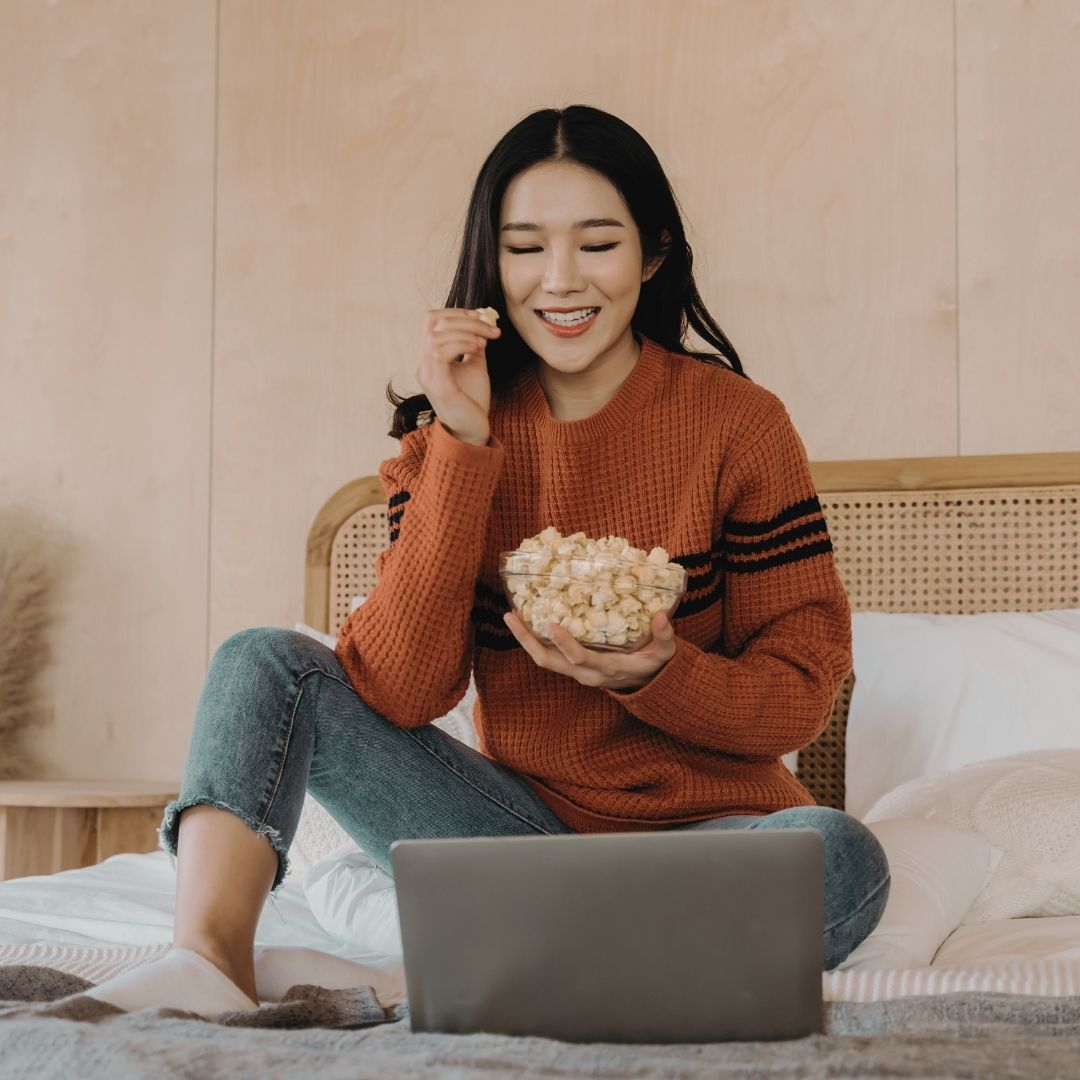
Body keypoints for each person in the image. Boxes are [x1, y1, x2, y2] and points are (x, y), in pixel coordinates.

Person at [80, 104, 889, 1017]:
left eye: (597, 243)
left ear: (654, 253)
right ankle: (211, 965)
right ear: (491, 266)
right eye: (524, 248)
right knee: (261, 662)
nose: (559, 281)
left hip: (713, 837)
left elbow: (802, 692)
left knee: (842, 854)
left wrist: (661, 671)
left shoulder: (738, 427)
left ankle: (464, 973)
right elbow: (400, 691)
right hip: (515, 836)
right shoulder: (443, 442)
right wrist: (462, 444)